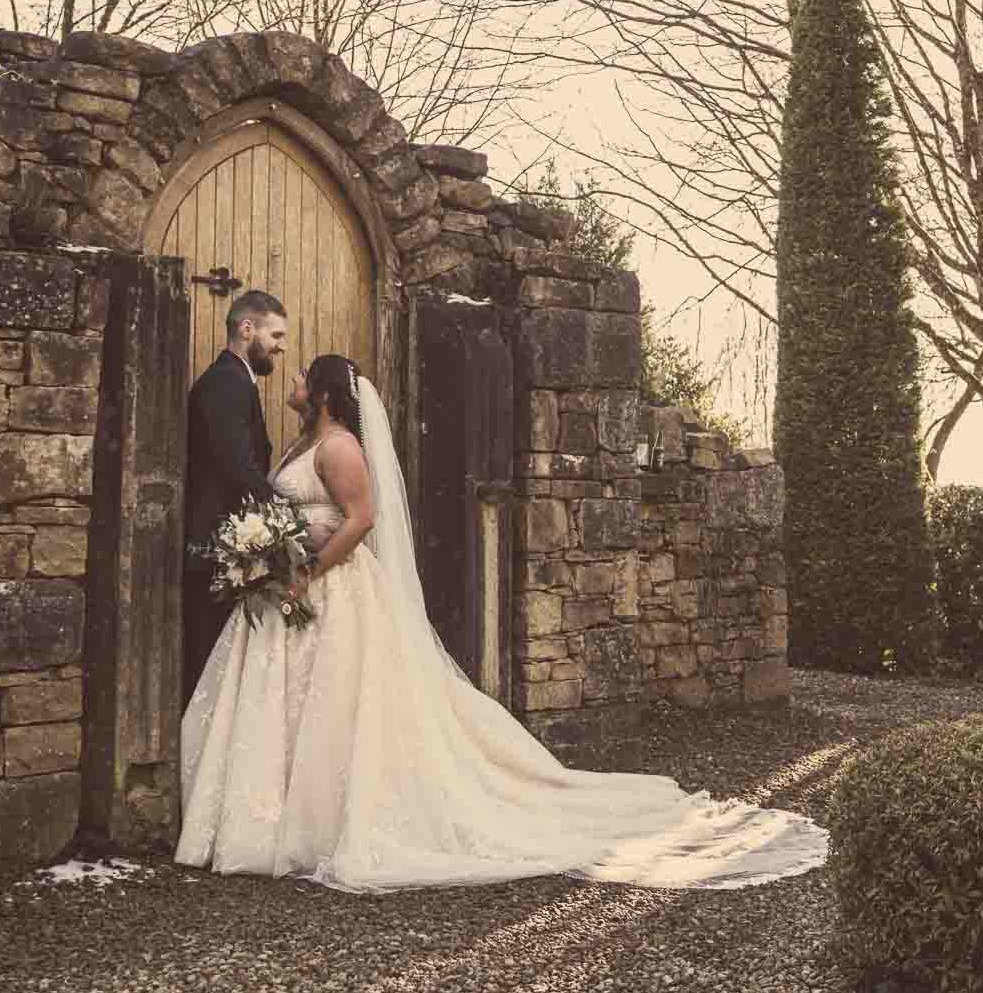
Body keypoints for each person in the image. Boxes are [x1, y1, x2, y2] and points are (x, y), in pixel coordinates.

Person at [175, 355, 829, 892]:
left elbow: (362, 519)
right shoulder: (307, 443)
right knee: (292, 706)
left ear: (320, 393)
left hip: (330, 590)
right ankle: (272, 816)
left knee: (339, 706)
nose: (289, 386)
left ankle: (319, 821)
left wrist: (306, 570)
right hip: (293, 588)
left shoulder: (341, 447)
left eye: (299, 380)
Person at [181, 291, 287, 708]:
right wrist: (283, 523)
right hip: (215, 551)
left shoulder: (238, 380)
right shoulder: (225, 382)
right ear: (247, 329)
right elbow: (237, 468)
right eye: (275, 334)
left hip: (229, 550)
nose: (282, 345)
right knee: (209, 667)